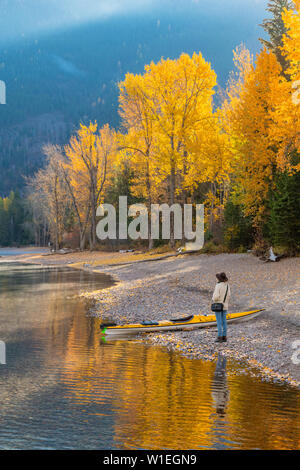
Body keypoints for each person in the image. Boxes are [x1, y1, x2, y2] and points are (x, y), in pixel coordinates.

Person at [212, 272, 231, 343]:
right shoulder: (227, 285)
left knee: (219, 322)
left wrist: (213, 299)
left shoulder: (218, 285)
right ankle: (224, 337)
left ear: (219, 279)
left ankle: (219, 336)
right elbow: (229, 295)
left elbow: (216, 296)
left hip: (218, 305)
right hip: (225, 305)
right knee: (224, 321)